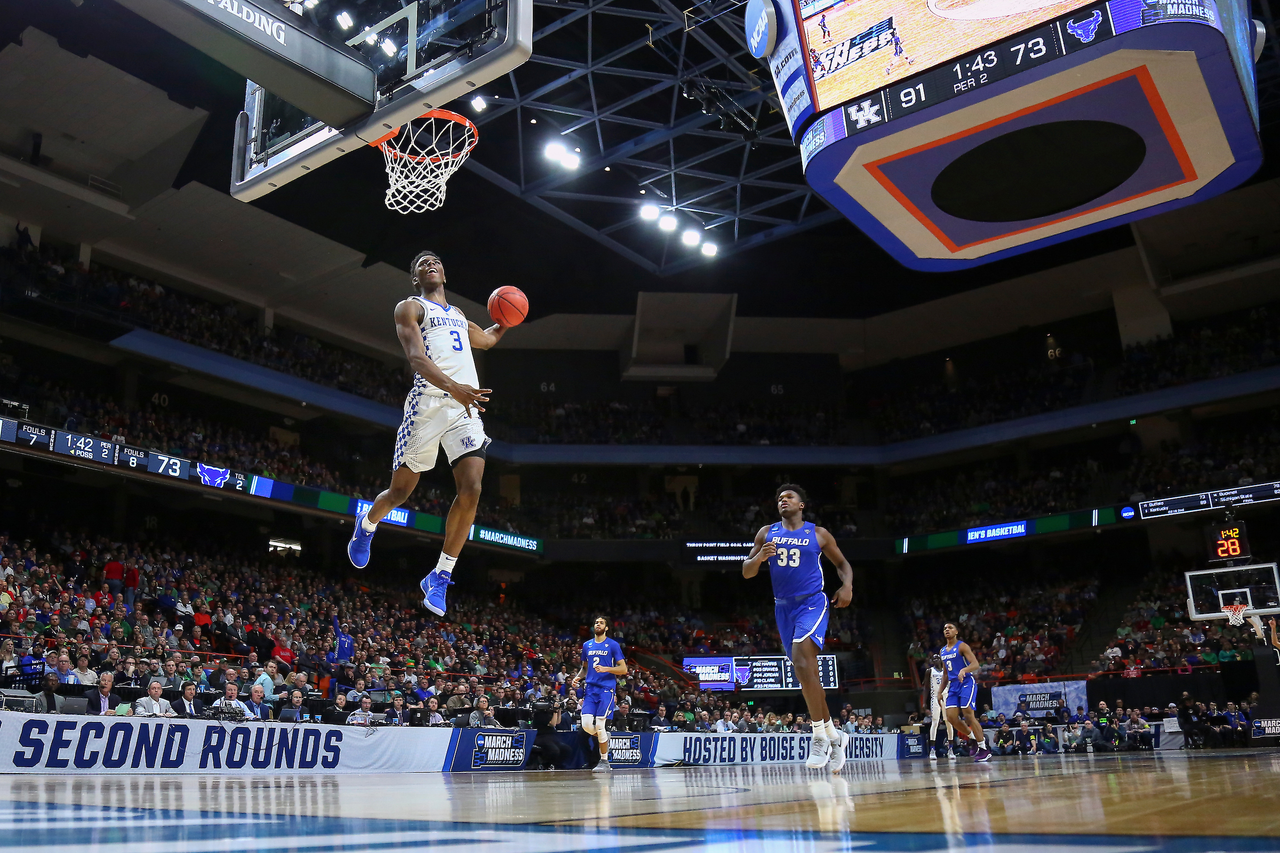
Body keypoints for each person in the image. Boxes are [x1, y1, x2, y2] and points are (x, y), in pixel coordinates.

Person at [346, 250, 509, 617]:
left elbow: (486, 340)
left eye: (436, 261)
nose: (430, 264)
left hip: (464, 407)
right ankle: (368, 523)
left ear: (445, 274)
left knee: (473, 488)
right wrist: (456, 388)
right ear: (416, 278)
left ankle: (440, 575)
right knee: (401, 491)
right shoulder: (410, 308)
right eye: (422, 264)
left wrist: (508, 317)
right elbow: (417, 359)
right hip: (429, 403)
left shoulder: (459, 316)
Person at [742, 484, 854, 772]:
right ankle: (835, 736)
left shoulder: (818, 533)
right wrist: (759, 557)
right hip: (783, 607)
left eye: (789, 497)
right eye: (779, 498)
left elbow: (842, 564)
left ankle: (817, 736)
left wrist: (847, 585)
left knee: (803, 661)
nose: (783, 500)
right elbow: (747, 572)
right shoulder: (766, 533)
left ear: (801, 505)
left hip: (812, 602)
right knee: (806, 673)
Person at [571, 615, 627, 773]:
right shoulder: (587, 645)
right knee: (587, 725)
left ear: (606, 627)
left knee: (600, 726)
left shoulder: (613, 645)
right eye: (596, 622)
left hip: (606, 689)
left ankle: (604, 761)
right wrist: (577, 677)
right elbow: (585, 668)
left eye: (601, 623)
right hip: (590, 689)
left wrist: (606, 669)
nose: (598, 624)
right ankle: (604, 738)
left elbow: (623, 669)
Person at [939, 622, 993, 761]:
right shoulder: (943, 651)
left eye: (950, 628)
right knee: (951, 717)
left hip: (966, 682)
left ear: (956, 631)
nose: (947, 630)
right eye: (945, 628)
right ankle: (973, 738)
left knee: (968, 713)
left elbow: (975, 664)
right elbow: (945, 674)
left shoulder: (962, 646)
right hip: (953, 685)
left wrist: (964, 670)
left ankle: (984, 749)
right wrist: (940, 691)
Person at [927, 653, 954, 760]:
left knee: (949, 722)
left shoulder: (946, 671)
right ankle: (932, 750)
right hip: (935, 697)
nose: (936, 660)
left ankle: (951, 749)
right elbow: (925, 687)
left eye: (938, 658)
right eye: (934, 659)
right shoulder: (929, 671)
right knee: (935, 722)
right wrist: (924, 703)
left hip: (946, 697)